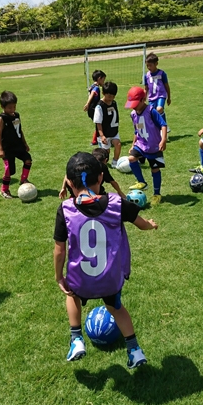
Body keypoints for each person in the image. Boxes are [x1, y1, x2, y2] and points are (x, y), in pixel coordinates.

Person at [53, 152, 158, 368]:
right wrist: (150, 223)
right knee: (116, 308)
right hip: (110, 277)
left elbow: (59, 250)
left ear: (69, 183)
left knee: (71, 295)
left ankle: (76, 339)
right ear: (101, 178)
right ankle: (135, 350)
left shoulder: (65, 209)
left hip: (81, 278)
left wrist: (58, 277)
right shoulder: (117, 203)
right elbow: (140, 223)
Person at [125, 87, 167, 205]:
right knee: (131, 158)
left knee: (155, 169)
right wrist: (133, 144)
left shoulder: (151, 111)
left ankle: (157, 194)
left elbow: (163, 125)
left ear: (143, 100)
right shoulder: (133, 114)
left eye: (135, 103)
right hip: (141, 144)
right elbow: (136, 130)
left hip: (154, 146)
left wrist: (163, 140)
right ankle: (142, 182)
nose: (133, 106)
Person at [0, 90, 32, 199]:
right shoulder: (2, 118)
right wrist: (0, 149)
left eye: (14, 107)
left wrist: (24, 143)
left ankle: (23, 179)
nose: (12, 110)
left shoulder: (16, 115)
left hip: (18, 145)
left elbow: (20, 130)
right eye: (10, 108)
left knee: (28, 160)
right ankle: (4, 190)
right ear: (2, 106)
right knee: (9, 171)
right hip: (8, 148)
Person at [60, 148, 126, 200]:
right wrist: (120, 192)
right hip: (96, 195)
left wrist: (63, 188)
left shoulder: (82, 165)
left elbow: (67, 176)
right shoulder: (102, 167)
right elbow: (112, 182)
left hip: (76, 196)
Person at [94, 81, 121, 168]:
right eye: (109, 96)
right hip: (104, 133)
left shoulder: (114, 103)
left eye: (113, 96)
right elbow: (98, 122)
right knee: (106, 152)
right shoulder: (100, 106)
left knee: (118, 144)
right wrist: (102, 135)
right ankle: (98, 162)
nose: (111, 98)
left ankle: (115, 161)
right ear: (103, 93)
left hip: (114, 131)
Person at [143, 52, 171, 134]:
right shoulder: (146, 76)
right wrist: (144, 98)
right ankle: (158, 129)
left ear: (156, 64)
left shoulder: (162, 73)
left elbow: (167, 86)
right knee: (153, 114)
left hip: (161, 96)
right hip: (152, 98)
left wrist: (169, 97)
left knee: (159, 109)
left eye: (150, 65)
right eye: (147, 65)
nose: (148, 67)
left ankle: (164, 127)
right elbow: (146, 88)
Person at [84, 70, 106, 146]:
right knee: (100, 123)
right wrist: (87, 103)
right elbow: (92, 94)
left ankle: (95, 140)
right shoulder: (96, 87)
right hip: (93, 109)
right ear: (99, 78)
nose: (103, 81)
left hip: (91, 109)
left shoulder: (92, 86)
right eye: (103, 80)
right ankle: (95, 140)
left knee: (99, 123)